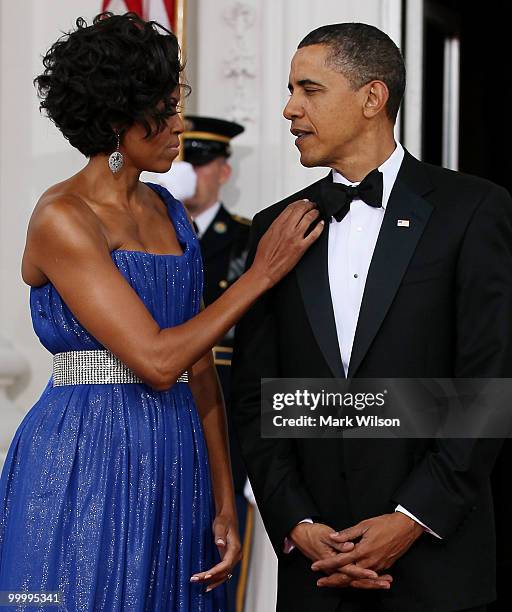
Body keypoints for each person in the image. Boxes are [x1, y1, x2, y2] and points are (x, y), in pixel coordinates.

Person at [0, 13, 324, 612]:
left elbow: (198, 361)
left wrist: (224, 499)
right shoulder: (63, 218)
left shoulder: (169, 211)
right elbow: (156, 359)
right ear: (118, 121)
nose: (179, 124)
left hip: (177, 449)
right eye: (165, 109)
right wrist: (261, 274)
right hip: (86, 453)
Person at [231, 22, 512, 612]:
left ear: (371, 97)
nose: (289, 109)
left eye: (309, 90)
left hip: (436, 567)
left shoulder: (473, 209)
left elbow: (486, 387)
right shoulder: (276, 227)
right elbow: (256, 397)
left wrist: (410, 519)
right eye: (289, 90)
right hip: (315, 567)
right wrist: (297, 520)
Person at [181, 116, 253, 612]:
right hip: (157, 402)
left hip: (227, 411)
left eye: (201, 163)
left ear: (223, 172)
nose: (189, 173)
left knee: (224, 558)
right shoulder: (147, 235)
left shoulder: (248, 240)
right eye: (183, 161)